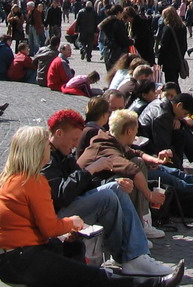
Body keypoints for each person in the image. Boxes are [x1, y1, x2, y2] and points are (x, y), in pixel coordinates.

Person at [0, 125, 183, 287]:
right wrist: (71, 223)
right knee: (92, 275)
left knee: (74, 259)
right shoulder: (33, 182)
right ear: (38, 151)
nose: (49, 149)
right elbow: (49, 228)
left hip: (11, 256)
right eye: (46, 146)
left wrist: (65, 228)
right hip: (20, 258)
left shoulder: (12, 178)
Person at [41, 110, 180, 274]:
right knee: (108, 196)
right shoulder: (47, 158)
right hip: (57, 218)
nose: (75, 144)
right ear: (58, 133)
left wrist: (111, 182)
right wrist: (91, 170)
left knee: (114, 188)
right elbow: (60, 196)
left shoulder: (62, 154)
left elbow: (80, 186)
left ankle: (136, 256)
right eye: (73, 139)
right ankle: (133, 255)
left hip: (67, 211)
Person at [156, 7, 187, 84]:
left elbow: (163, 46)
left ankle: (177, 96)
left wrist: (160, 61)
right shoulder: (182, 27)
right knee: (174, 80)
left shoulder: (168, 28)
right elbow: (184, 44)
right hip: (178, 58)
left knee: (170, 83)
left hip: (169, 60)